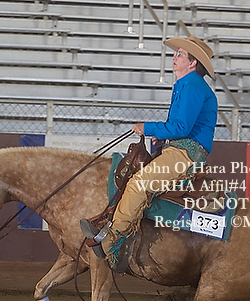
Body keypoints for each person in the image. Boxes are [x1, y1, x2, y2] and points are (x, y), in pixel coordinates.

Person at [80, 35, 218, 268]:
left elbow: (181, 127)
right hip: (181, 149)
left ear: (192, 62)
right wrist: (162, 135)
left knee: (139, 183)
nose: (174, 57)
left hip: (185, 154)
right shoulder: (188, 85)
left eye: (180, 54)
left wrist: (148, 128)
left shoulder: (192, 86)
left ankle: (112, 241)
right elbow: (180, 126)